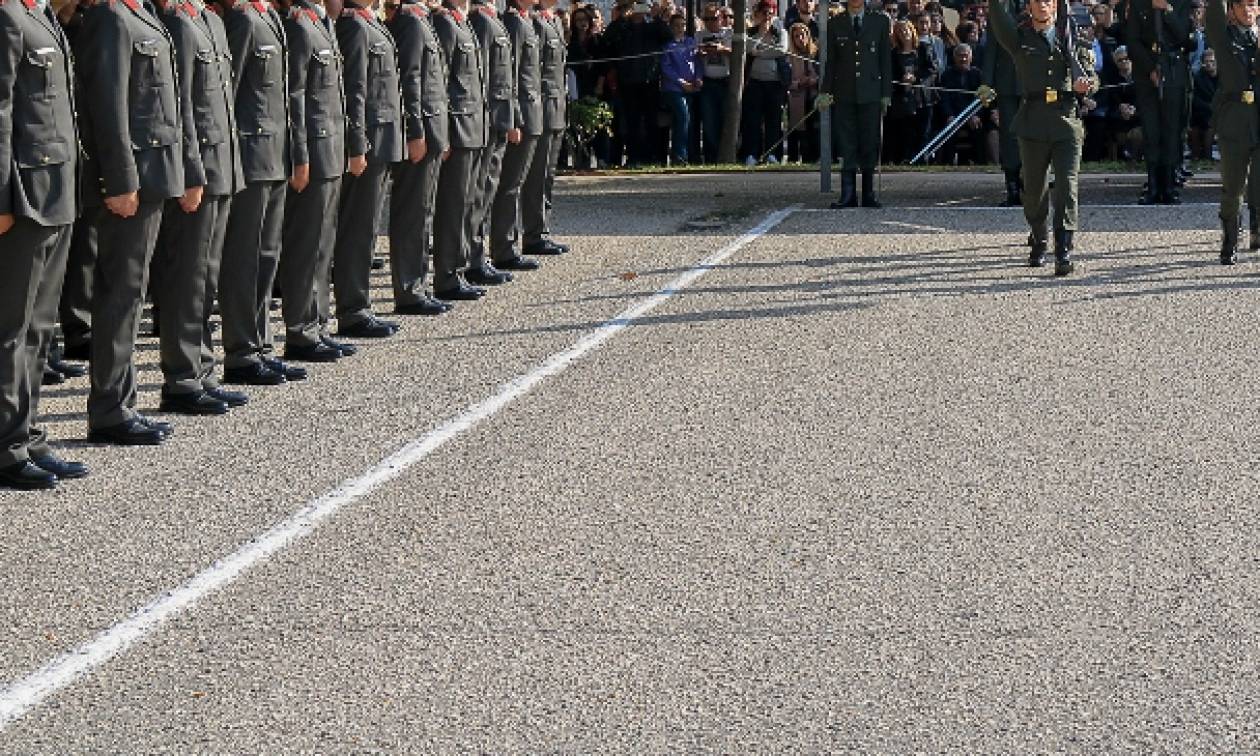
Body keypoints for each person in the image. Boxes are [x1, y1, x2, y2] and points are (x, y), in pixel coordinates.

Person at [80, 0, 185, 445]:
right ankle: (109, 409)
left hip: (153, 173)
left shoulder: (138, 12)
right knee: (120, 293)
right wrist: (120, 179)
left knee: (132, 292)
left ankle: (123, 403)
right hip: (133, 180)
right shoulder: (111, 16)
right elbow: (107, 101)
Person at [0, 0, 87, 487]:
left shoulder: (41, 14)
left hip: (55, 190)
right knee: (10, 331)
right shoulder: (8, 14)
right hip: (24, 196)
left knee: (37, 328)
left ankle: (28, 435)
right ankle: (6, 449)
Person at [156, 0, 247, 416]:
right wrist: (191, 171)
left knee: (206, 276)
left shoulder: (209, 19)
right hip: (201, 168)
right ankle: (181, 378)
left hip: (222, 164)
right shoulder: (176, 21)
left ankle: (202, 370)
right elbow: (182, 108)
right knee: (187, 277)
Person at [219, 0, 308, 385]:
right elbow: (230, 95)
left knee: (266, 258)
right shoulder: (240, 20)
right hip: (251, 157)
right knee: (245, 260)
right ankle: (240, 352)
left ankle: (260, 346)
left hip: (274, 155)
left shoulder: (266, 15)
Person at [985, 0, 1098, 275]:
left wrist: (1087, 85)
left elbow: (1092, 78)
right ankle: (1039, 236)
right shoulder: (1020, 38)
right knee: (1034, 188)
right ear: (1029, 7)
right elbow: (999, 18)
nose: (1043, 5)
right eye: (1037, 1)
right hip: (1033, 121)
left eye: (1048, 1)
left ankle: (1064, 248)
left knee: (1067, 185)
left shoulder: (1072, 38)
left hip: (1066, 121)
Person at [278, 0, 353, 363]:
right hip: (314, 150)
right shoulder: (299, 26)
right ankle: (300, 330)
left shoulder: (321, 23)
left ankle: (318, 323)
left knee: (323, 244)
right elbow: (296, 97)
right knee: (306, 245)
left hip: (331, 148)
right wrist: (300, 155)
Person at [333, 0, 405, 336]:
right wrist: (356, 144)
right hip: (369, 142)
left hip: (382, 139)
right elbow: (354, 91)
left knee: (367, 228)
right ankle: (353, 310)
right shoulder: (353, 27)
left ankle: (360, 306)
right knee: (357, 230)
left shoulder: (369, 23)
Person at [388, 0, 456, 315]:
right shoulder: (411, 23)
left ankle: (418, 285)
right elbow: (409, 80)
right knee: (412, 214)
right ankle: (409, 290)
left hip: (433, 129)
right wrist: (415, 132)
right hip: (422, 132)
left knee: (423, 213)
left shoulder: (422, 20)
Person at [431, 0, 490, 300]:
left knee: (467, 203)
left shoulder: (462, 22)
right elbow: (442, 80)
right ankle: (446, 276)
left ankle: (459, 268)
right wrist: (446, 131)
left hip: (473, 125)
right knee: (453, 207)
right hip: (458, 127)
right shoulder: (445, 23)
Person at [488, 0, 545, 272]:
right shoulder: (513, 23)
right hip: (522, 113)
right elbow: (510, 75)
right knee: (509, 184)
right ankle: (504, 248)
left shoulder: (524, 21)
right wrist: (515, 118)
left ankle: (508, 244)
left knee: (517, 182)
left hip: (530, 110)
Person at [466, 0, 521, 284]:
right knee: (478, 193)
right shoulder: (483, 22)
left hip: (497, 118)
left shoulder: (494, 20)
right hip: (487, 119)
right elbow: (483, 76)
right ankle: (473, 259)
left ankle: (478, 256)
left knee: (487, 191)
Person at [819, 0, 891, 207]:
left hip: (871, 92)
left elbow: (884, 59)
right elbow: (831, 62)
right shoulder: (836, 23)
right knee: (847, 142)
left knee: (870, 141)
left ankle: (868, 193)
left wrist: (886, 92)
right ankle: (848, 193)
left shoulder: (880, 22)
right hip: (845, 92)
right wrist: (825, 91)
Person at [1204, 0, 1260, 263]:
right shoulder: (1224, 39)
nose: (1248, 11)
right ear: (1232, 11)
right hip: (1234, 120)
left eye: (1253, 5)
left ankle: (1257, 231)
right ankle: (1230, 240)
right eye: (1242, 6)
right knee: (1233, 186)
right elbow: (1214, 13)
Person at [1127, 0, 1193, 204]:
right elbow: (1132, 42)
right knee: (1151, 129)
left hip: (1173, 69)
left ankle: (1169, 186)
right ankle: (1153, 185)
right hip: (1146, 71)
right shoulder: (1138, 5)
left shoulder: (1182, 4)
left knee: (1171, 130)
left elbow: (1187, 40)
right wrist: (1150, 69)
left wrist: (1168, 11)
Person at [520, 0, 570, 256]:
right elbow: (532, 70)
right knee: (536, 176)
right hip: (542, 107)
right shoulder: (535, 22)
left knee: (547, 175)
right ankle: (533, 233)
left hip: (556, 105)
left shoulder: (556, 21)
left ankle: (542, 229)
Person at [984, 0, 1024, 204]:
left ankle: (1031, 184)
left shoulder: (1040, 5)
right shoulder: (999, 8)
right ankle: (1012, 186)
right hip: (1007, 82)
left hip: (1033, 81)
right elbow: (991, 47)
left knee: (1033, 133)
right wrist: (987, 83)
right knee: (1009, 136)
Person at [741, 1, 788, 166]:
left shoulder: (780, 32)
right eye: (764, 13)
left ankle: (772, 154)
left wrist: (759, 53)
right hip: (754, 83)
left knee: (774, 120)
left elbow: (781, 50)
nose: (767, 16)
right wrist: (761, 34)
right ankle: (751, 154)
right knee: (752, 120)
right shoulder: (750, 32)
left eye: (770, 13)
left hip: (775, 83)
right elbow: (748, 48)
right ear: (758, 14)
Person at [660, 12, 702, 165]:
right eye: (676, 25)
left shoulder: (690, 42)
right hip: (673, 89)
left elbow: (697, 62)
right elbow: (666, 68)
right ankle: (679, 155)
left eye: (682, 25)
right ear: (671, 27)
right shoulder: (667, 46)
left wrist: (698, 78)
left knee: (687, 121)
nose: (679, 28)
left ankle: (691, 155)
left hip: (691, 87)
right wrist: (682, 82)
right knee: (683, 116)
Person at [695, 4, 732, 163]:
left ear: (721, 18)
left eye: (714, 18)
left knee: (726, 122)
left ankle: (726, 157)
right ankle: (710, 159)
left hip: (726, 82)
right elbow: (693, 55)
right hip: (707, 83)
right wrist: (700, 52)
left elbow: (738, 54)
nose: (710, 22)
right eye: (707, 19)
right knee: (709, 123)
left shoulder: (729, 34)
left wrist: (721, 49)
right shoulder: (699, 35)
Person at [887, 18, 927, 164]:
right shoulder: (893, 54)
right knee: (903, 130)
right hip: (901, 98)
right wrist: (902, 80)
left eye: (906, 29)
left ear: (912, 30)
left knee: (922, 130)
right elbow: (890, 74)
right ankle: (903, 158)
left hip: (921, 97)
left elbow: (931, 70)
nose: (904, 33)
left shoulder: (923, 49)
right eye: (899, 31)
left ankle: (920, 160)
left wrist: (915, 78)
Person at [786, 22, 819, 163]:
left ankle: (812, 159)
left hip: (814, 98)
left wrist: (814, 80)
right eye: (796, 36)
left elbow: (822, 74)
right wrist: (799, 83)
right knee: (797, 132)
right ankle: (793, 160)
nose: (800, 38)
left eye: (802, 35)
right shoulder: (789, 57)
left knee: (814, 131)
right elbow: (786, 80)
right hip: (797, 99)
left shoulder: (816, 54)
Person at [1188, 47, 1216, 159]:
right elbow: (1195, 100)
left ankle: (1208, 156)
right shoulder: (1198, 78)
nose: (1209, 64)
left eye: (1212, 61)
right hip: (1203, 115)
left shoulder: (1223, 78)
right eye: (1207, 61)